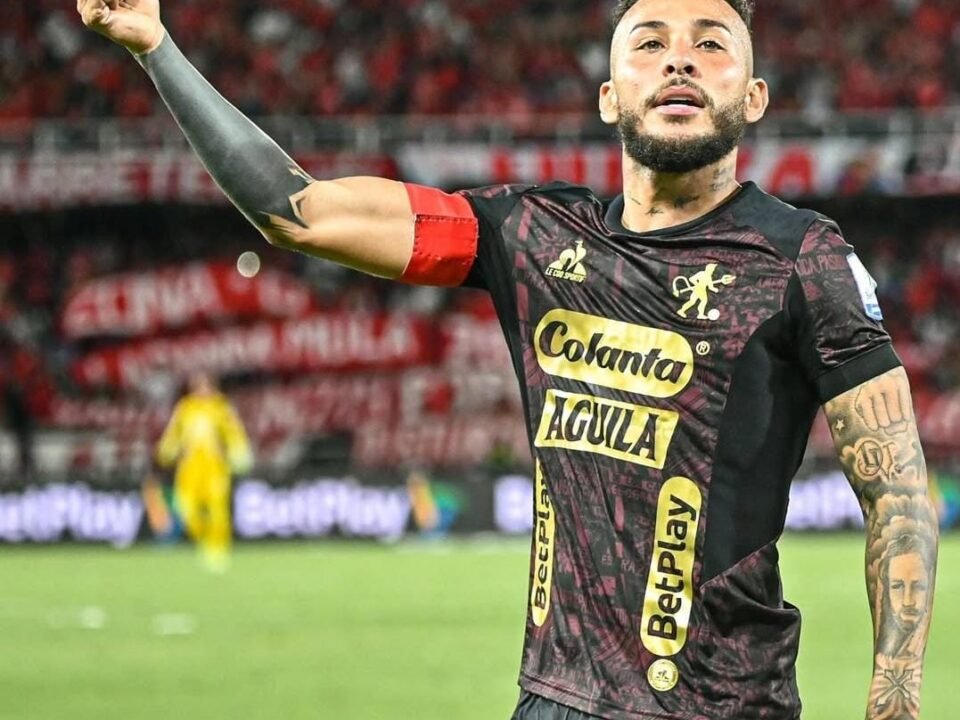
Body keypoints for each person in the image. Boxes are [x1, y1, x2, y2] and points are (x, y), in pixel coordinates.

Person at [78, 0, 939, 717]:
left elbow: (898, 493)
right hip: (551, 701)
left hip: (722, 705)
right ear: (609, 95)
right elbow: (294, 209)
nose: (679, 58)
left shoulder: (802, 259)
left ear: (752, 97)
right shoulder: (528, 235)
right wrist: (156, 46)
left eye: (711, 44)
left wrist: (894, 697)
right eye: (649, 43)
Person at [154, 371, 253, 571]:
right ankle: (203, 541)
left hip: (215, 466)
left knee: (217, 509)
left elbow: (234, 433)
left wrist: (239, 453)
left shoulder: (221, 407)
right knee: (187, 509)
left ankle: (218, 549)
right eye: (198, 386)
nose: (202, 390)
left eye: (205, 385)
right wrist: (166, 450)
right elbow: (174, 433)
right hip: (190, 467)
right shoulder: (185, 408)